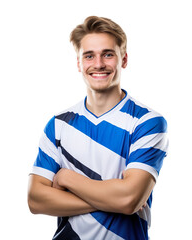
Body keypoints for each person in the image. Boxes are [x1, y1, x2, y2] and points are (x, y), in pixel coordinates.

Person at [28, 16, 168, 240]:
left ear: (124, 60)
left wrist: (66, 178)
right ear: (79, 63)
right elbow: (36, 200)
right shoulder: (58, 124)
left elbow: (129, 199)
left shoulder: (147, 122)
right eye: (89, 55)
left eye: (108, 54)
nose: (99, 64)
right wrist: (112, 199)